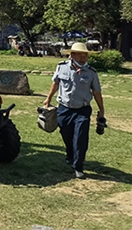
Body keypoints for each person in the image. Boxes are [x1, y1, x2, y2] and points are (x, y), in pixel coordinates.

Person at [43, 42, 105, 179]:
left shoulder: (91, 73)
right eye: (80, 55)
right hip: (64, 109)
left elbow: (96, 92)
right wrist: (48, 99)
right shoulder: (61, 67)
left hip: (82, 110)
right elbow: (56, 83)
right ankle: (70, 154)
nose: (84, 58)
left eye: (86, 56)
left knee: (80, 138)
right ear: (72, 55)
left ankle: (78, 167)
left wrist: (102, 110)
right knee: (66, 133)